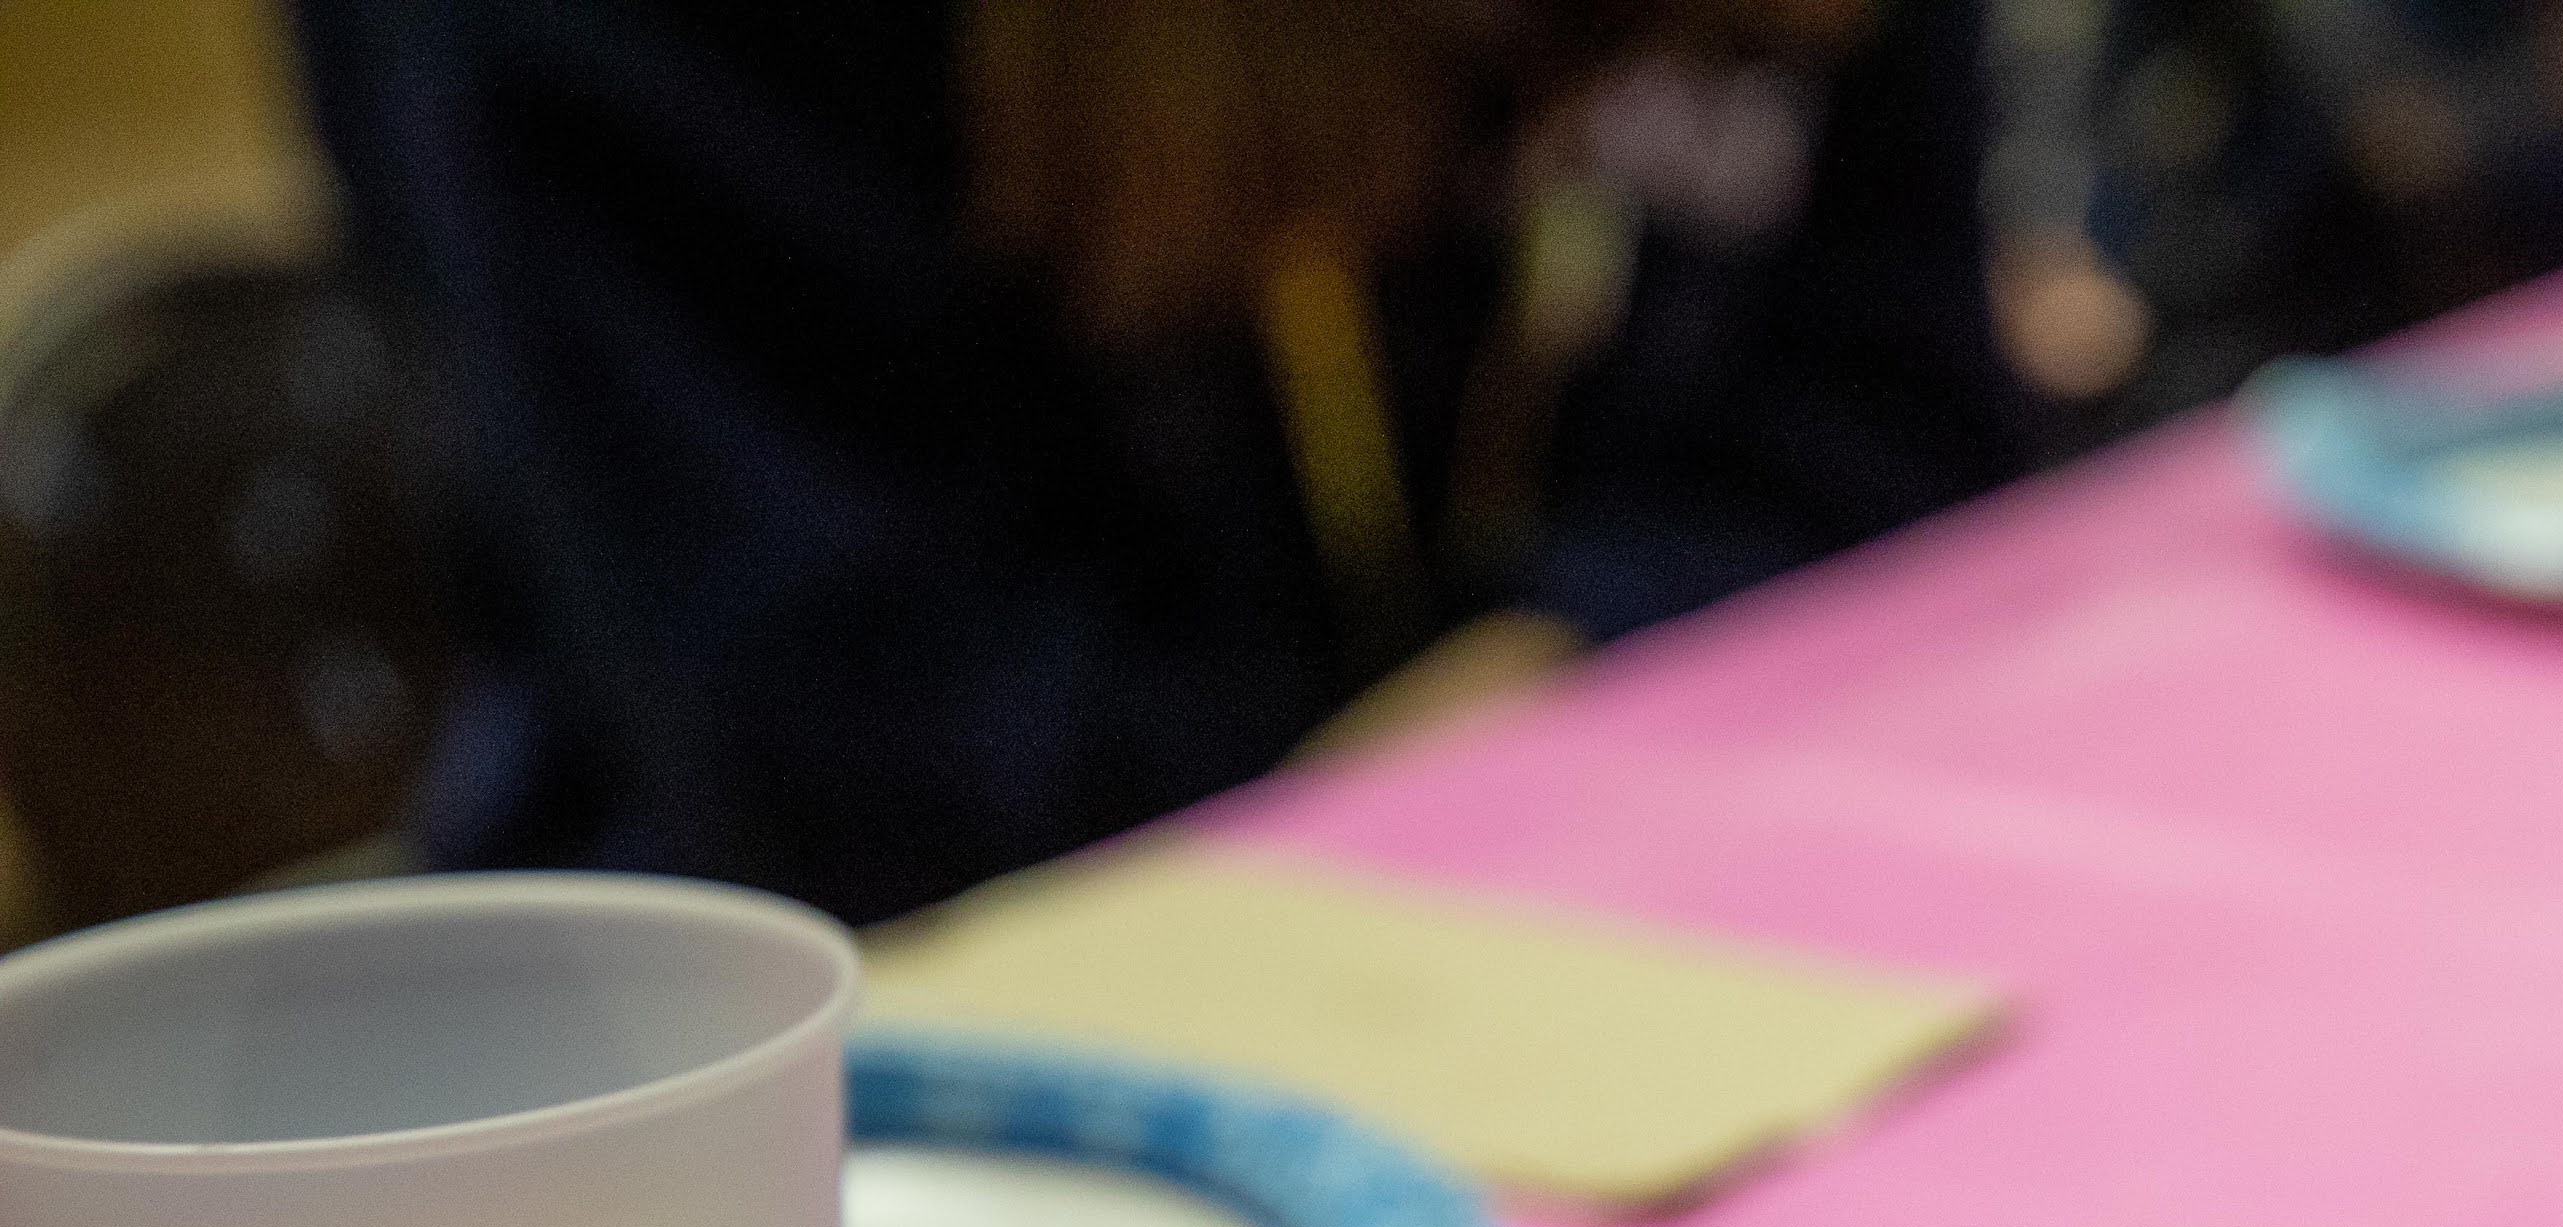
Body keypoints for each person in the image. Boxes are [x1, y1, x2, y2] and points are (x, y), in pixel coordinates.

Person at [288, 0, 2021, 925]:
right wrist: (1424, 779)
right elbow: (846, 746)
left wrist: (1557, 666)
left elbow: (1896, 423)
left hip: (1622, 874)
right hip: (861, 1021)